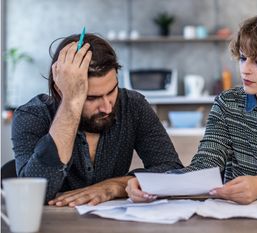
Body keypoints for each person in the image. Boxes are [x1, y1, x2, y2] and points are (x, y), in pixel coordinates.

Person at [126, 13, 257, 204]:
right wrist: (153, 184)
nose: (245, 69)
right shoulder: (228, 103)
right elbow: (205, 166)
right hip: (237, 216)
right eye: (243, 58)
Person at [11, 33, 183, 207]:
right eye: (92, 98)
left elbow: (172, 171)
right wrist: (70, 103)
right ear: (60, 89)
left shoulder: (134, 105)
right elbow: (33, 194)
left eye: (111, 91)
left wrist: (114, 186)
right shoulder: (32, 115)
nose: (107, 108)